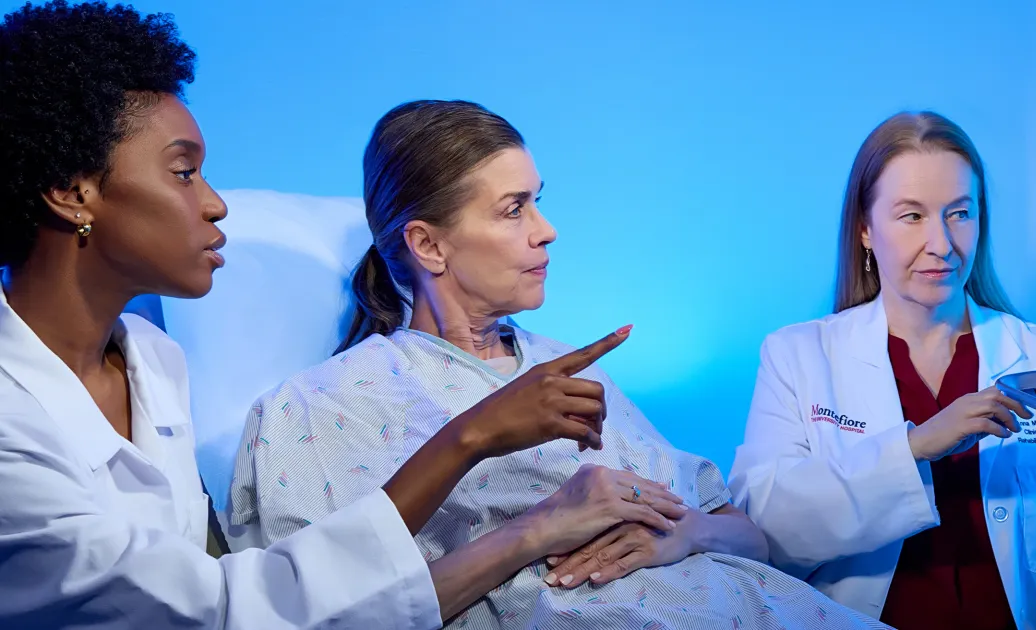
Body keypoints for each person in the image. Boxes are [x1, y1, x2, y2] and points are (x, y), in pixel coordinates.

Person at [0, 3, 682, 627]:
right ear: (71, 191)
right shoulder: (13, 422)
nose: (216, 204)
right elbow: (224, 607)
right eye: (184, 173)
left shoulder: (153, 360)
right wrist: (472, 445)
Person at [228, 99, 891, 629]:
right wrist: (538, 527)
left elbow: (750, 535)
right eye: (513, 209)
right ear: (428, 244)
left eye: (538, 200)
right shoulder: (322, 408)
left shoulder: (572, 372)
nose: (546, 230)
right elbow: (324, 615)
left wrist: (687, 536)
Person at [728, 111, 1036, 629]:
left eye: (959, 213)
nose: (942, 245)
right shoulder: (797, 357)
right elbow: (764, 535)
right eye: (912, 216)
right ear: (864, 227)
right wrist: (915, 447)